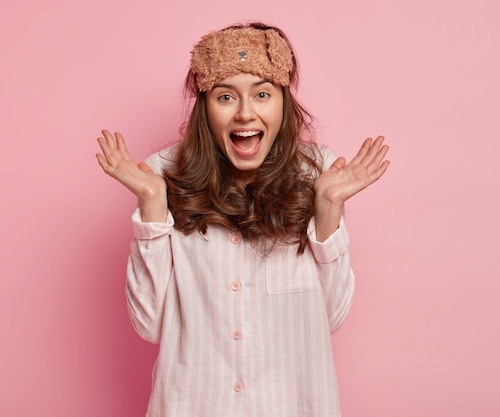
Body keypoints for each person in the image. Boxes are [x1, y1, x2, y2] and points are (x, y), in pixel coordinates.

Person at [96, 22, 389, 417]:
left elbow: (330, 318)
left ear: (283, 103)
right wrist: (151, 202)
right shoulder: (163, 177)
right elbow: (149, 325)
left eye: (262, 94)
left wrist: (328, 207)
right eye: (226, 96)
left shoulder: (318, 173)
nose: (245, 113)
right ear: (205, 106)